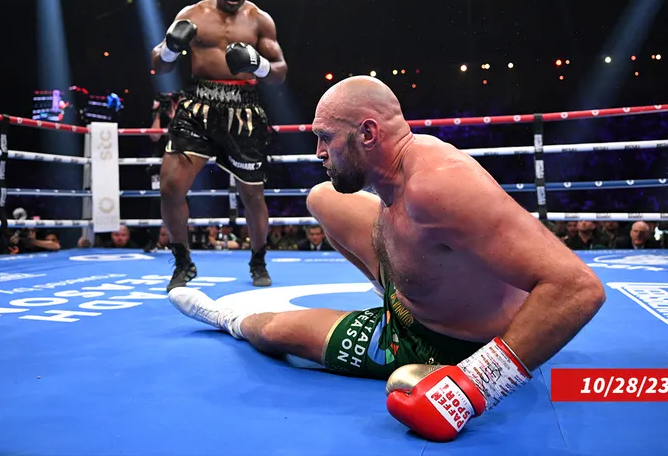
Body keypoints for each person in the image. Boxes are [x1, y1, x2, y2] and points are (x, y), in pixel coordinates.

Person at [168, 76, 606, 442]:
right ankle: (391, 287)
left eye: (325, 138)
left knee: (278, 330)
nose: (318, 153)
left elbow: (578, 288)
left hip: (449, 341)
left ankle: (221, 316)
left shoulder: (437, 187)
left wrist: (475, 384)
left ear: (368, 133)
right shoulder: (399, 167)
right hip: (416, 288)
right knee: (322, 199)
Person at [151, 0, 287, 291]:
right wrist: (170, 49)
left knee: (252, 196)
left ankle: (258, 258)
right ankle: (182, 262)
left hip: (243, 110)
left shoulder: (259, 21)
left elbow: (281, 72)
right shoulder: (192, 15)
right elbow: (159, 65)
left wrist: (258, 65)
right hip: (197, 106)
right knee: (169, 185)